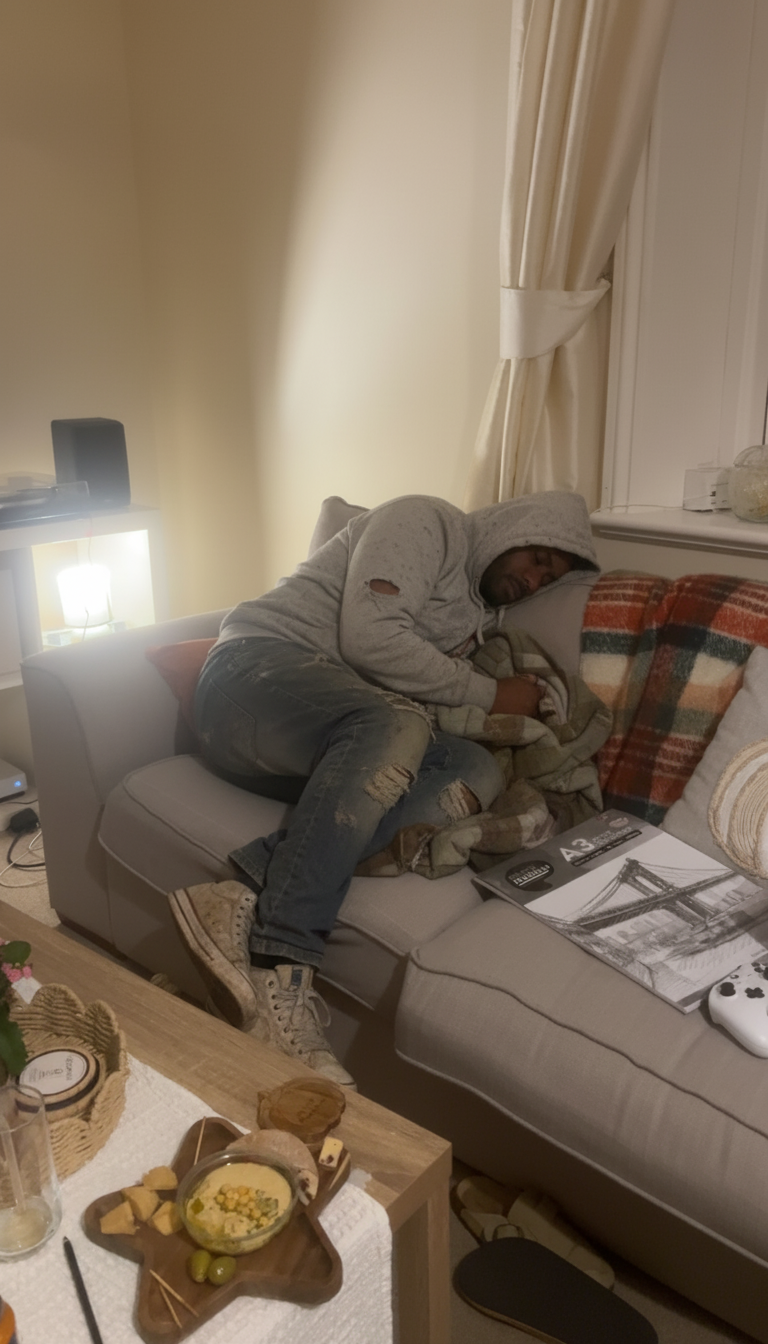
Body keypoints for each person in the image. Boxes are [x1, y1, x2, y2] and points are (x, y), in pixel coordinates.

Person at [169, 491, 599, 1087]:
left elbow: (410, 696)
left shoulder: (477, 618)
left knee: (474, 768)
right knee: (397, 722)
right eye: (537, 559)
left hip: (336, 744)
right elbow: (370, 639)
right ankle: (281, 962)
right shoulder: (427, 523)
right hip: (251, 678)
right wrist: (490, 694)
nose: (532, 580)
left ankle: (242, 886)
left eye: (546, 579)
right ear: (514, 528)